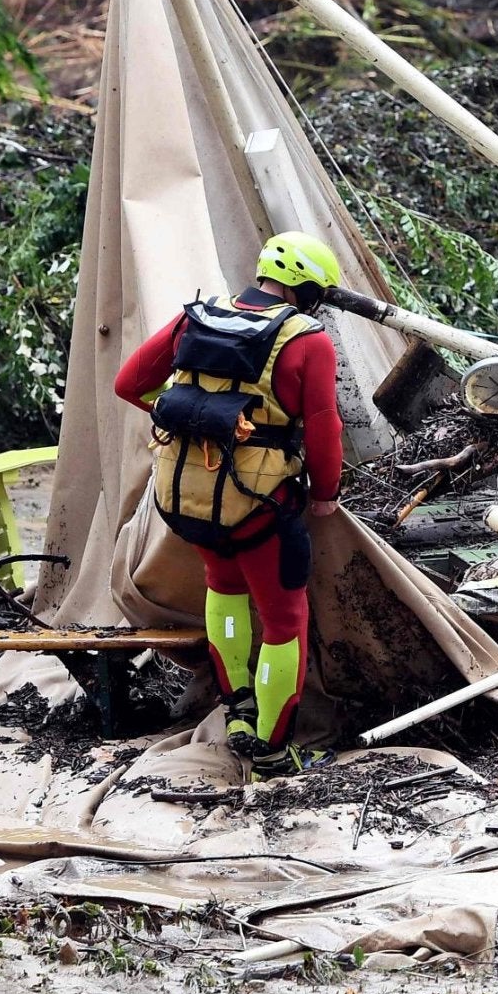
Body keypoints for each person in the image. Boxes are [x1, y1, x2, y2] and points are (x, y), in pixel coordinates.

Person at [115, 232, 345, 777]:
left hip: (188, 498)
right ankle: (270, 749)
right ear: (306, 290)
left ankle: (237, 712)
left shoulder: (197, 316)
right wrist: (327, 496)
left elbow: (129, 384)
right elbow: (324, 429)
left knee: (224, 589)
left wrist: (191, 415)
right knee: (285, 618)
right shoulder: (308, 341)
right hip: (261, 504)